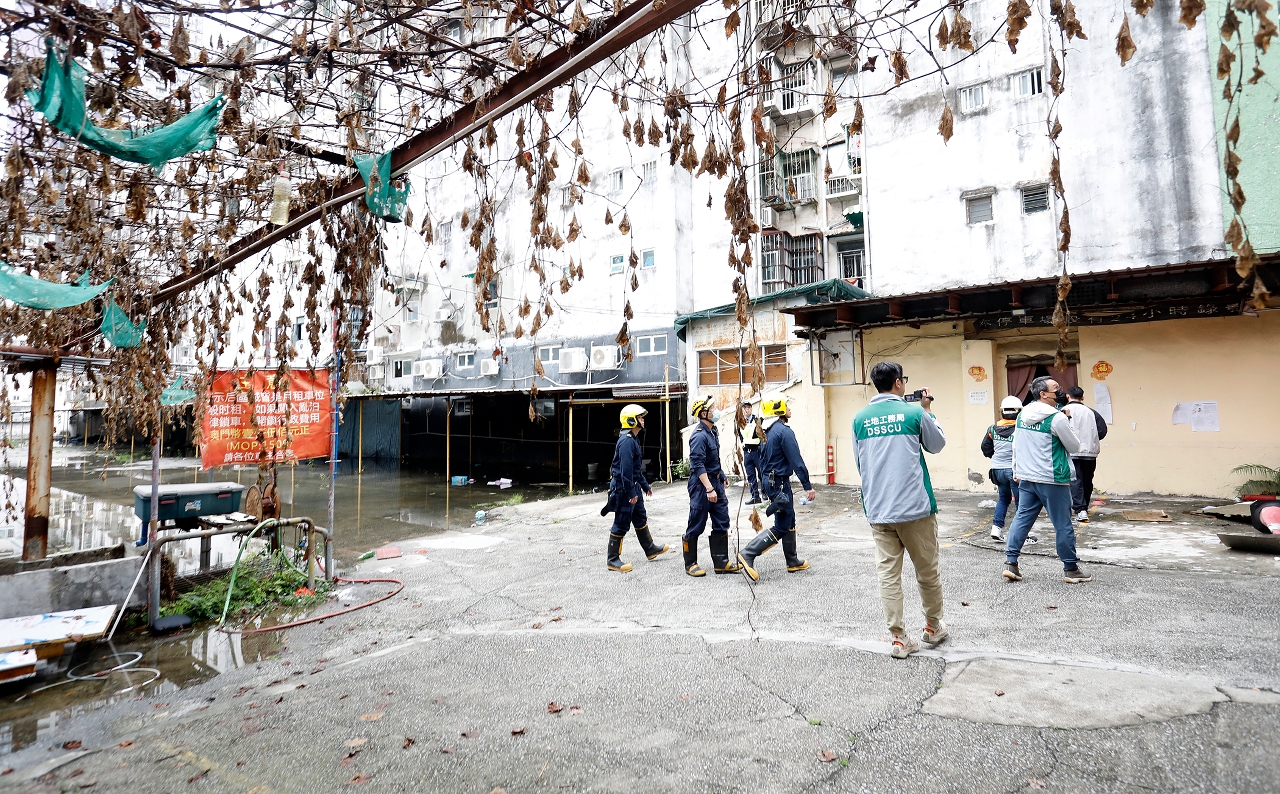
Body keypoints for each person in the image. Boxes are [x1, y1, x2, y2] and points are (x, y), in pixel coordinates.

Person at [852, 362, 948, 659]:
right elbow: (937, 445)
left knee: (888, 575)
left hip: (879, 508)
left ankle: (898, 637)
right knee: (927, 570)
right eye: (903, 379)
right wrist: (928, 409)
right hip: (915, 508)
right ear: (897, 383)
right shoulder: (914, 414)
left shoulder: (859, 419)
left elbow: (860, 463)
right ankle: (932, 626)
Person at [1003, 377, 1091, 584]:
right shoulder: (1057, 418)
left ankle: (1010, 563)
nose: (1060, 391)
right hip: (1052, 478)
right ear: (1043, 394)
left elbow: (1016, 445)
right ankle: (1071, 568)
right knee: (1063, 524)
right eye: (1055, 388)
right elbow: (1074, 446)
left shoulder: (1023, 414)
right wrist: (1067, 421)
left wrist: (1017, 469)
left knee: (1022, 519)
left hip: (1027, 477)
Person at [737, 396, 814, 580]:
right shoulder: (783, 432)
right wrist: (807, 485)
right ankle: (748, 553)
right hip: (778, 483)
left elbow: (763, 462)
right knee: (782, 525)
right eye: (786, 406)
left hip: (772, 481)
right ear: (779, 409)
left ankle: (792, 560)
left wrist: (766, 487)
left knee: (790, 518)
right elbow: (796, 461)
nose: (789, 409)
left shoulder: (767, 430)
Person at [605, 404, 669, 572]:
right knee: (621, 523)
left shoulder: (633, 439)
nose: (643, 420)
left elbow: (635, 469)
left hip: (633, 486)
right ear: (631, 420)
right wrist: (631, 493)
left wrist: (645, 486)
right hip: (624, 489)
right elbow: (625, 472)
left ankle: (650, 549)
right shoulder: (627, 442)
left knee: (640, 518)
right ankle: (612, 559)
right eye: (640, 417)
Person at [682, 396, 741, 576]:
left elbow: (713, 460)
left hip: (715, 482)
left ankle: (721, 562)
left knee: (722, 520)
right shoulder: (699, 436)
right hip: (702, 485)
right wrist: (709, 488)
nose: (716, 410)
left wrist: (721, 476)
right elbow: (698, 465)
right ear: (703, 413)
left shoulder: (712, 431)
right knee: (696, 523)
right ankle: (690, 564)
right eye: (712, 408)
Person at [981, 396, 1023, 542]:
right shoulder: (1020, 429)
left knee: (1003, 499)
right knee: (1021, 503)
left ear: (1002, 412)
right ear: (1018, 412)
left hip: (997, 470)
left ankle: (996, 529)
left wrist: (995, 457)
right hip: (1014, 471)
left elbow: (985, 448)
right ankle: (1021, 535)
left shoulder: (992, 428)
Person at [1065, 385, 1107, 523]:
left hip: (1071, 451)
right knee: (1087, 480)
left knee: (1075, 480)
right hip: (1090, 451)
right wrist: (1091, 439)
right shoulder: (1092, 412)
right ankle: (1084, 507)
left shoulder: (1062, 411)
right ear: (1082, 397)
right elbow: (1102, 430)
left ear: (1067, 396)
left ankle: (1080, 509)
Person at [739, 401, 766, 505]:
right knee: (751, 476)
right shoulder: (740, 422)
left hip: (757, 451)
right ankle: (755, 496)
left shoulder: (757, 420)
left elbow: (762, 435)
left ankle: (765, 492)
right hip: (747, 453)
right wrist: (742, 442)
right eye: (745, 408)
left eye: (748, 407)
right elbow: (741, 435)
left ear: (751, 409)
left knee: (762, 474)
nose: (747, 410)